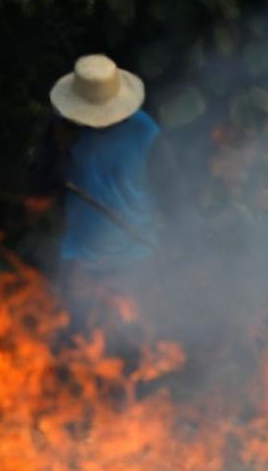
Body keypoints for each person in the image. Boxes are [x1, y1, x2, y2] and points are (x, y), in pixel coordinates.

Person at [28, 54, 165, 336]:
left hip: (135, 259)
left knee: (132, 344)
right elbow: (40, 185)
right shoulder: (64, 129)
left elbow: (175, 195)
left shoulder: (146, 133)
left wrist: (186, 246)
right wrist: (60, 150)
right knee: (80, 343)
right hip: (81, 261)